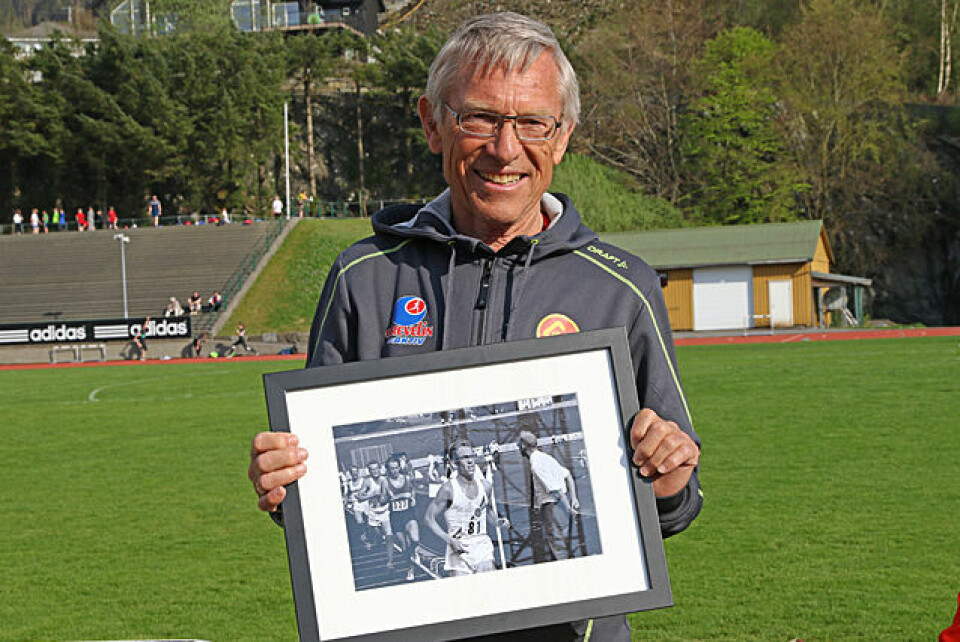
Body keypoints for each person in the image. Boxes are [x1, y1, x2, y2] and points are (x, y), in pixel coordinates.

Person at [249, 13, 701, 641]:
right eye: (481, 118)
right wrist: (288, 487)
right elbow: (323, 497)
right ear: (433, 123)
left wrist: (671, 473)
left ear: (562, 136)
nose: (505, 148)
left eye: (532, 123)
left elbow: (675, 507)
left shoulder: (620, 288)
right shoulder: (365, 277)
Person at [424, 442, 508, 576]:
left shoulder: (485, 486)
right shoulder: (448, 489)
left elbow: (485, 510)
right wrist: (449, 540)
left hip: (482, 546)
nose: (470, 461)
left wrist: (497, 521)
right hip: (459, 548)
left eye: (472, 456)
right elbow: (429, 519)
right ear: (455, 463)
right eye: (465, 458)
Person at [518, 430, 579, 561]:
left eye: (519, 444)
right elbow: (568, 476)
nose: (518, 447)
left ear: (523, 446)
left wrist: (569, 508)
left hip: (552, 506)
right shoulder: (546, 457)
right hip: (561, 506)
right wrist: (573, 498)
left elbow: (555, 490)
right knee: (564, 543)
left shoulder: (536, 465)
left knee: (558, 545)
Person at [384, 456, 422, 580]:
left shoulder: (407, 478)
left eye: (396, 468)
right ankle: (410, 569)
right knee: (404, 546)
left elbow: (413, 490)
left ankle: (414, 551)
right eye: (391, 469)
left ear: (399, 467)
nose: (394, 471)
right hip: (396, 517)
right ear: (388, 470)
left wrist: (413, 498)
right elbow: (383, 498)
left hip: (408, 513)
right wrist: (385, 499)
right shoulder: (385, 482)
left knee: (415, 539)